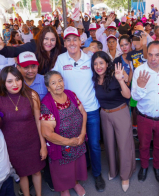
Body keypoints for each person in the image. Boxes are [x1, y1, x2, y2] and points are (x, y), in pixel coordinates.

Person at [0, 66, 47, 196]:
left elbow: (39, 121)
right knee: (21, 174)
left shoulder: (32, 95)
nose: (15, 84)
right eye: (10, 81)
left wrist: (43, 145)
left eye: (17, 79)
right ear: (3, 83)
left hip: (32, 142)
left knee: (37, 171)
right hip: (11, 145)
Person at [52, 27, 106, 192]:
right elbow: (54, 80)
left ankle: (97, 174)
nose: (72, 43)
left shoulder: (90, 58)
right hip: (70, 111)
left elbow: (102, 72)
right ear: (65, 43)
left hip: (90, 109)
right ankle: (80, 173)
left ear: (81, 41)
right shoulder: (61, 59)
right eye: (68, 40)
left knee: (95, 144)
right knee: (76, 144)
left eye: (75, 39)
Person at [132, 41, 159, 183]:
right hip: (144, 118)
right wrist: (141, 87)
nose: (153, 59)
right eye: (150, 55)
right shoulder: (140, 71)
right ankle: (144, 166)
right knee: (144, 145)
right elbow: (135, 97)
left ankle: (157, 166)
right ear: (146, 55)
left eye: (157, 55)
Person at [92, 52, 135, 192]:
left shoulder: (115, 76)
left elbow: (128, 95)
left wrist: (121, 80)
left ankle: (125, 175)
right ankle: (113, 170)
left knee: (124, 145)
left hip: (120, 112)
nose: (98, 66)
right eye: (95, 63)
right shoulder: (93, 79)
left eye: (101, 63)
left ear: (107, 63)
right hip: (104, 114)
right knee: (109, 145)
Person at [40, 71, 87, 196]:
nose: (59, 85)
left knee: (76, 164)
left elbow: (83, 112)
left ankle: (75, 183)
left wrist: (82, 133)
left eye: (60, 80)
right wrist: (69, 142)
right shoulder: (46, 104)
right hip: (61, 145)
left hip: (78, 140)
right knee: (62, 169)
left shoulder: (70, 94)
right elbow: (47, 133)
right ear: (48, 88)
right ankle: (64, 189)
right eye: (54, 83)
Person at [0, 26, 66, 75]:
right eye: (46, 39)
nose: (49, 43)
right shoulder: (33, 46)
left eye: (52, 40)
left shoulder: (59, 49)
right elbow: (15, 51)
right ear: (41, 38)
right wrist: (2, 49)